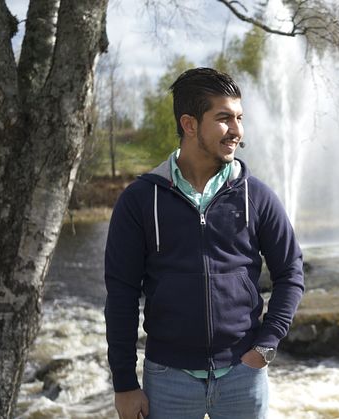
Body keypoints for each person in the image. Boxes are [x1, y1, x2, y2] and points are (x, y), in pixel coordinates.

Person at [104, 67, 304, 419]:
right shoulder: (139, 200)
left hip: (244, 376)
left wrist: (267, 344)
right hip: (168, 379)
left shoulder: (255, 196)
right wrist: (124, 383)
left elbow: (291, 271)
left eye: (240, 118)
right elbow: (121, 294)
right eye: (224, 118)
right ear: (190, 123)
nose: (237, 131)